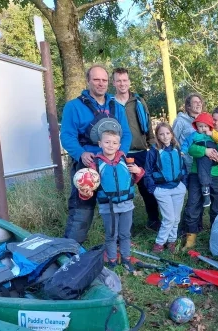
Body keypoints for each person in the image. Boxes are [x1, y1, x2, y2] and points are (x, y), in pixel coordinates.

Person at [60, 64, 132, 244]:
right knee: (82, 207)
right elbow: (67, 135)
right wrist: (80, 154)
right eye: (96, 79)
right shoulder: (74, 106)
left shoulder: (116, 107)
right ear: (88, 81)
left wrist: (120, 153)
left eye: (104, 80)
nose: (101, 84)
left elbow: (127, 134)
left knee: (117, 202)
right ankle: (72, 248)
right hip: (88, 163)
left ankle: (117, 245)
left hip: (113, 164)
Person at [81, 128, 144, 272]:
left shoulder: (124, 159)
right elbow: (88, 187)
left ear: (119, 145)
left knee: (125, 234)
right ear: (100, 143)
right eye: (107, 142)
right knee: (111, 235)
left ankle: (126, 259)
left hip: (127, 205)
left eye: (114, 143)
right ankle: (112, 260)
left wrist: (138, 171)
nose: (110, 145)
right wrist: (85, 192)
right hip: (107, 207)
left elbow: (135, 178)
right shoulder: (95, 164)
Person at [112, 67, 160, 231]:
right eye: (119, 80)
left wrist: (153, 146)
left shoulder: (139, 101)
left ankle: (153, 221)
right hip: (119, 154)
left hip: (140, 152)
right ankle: (126, 227)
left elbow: (148, 126)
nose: (122, 83)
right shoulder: (110, 103)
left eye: (125, 80)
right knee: (123, 191)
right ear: (114, 83)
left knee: (147, 189)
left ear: (129, 82)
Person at [180, 108, 218, 250]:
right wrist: (204, 151)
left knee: (217, 208)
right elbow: (191, 149)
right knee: (193, 204)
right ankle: (190, 239)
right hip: (197, 173)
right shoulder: (199, 134)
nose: (216, 122)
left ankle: (216, 240)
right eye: (214, 119)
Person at [143, 123, 187, 254]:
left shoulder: (177, 149)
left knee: (176, 218)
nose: (165, 136)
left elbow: (183, 168)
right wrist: (153, 188)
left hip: (178, 187)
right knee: (169, 218)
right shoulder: (154, 151)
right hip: (162, 189)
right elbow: (148, 171)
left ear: (172, 134)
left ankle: (172, 241)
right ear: (157, 136)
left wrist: (184, 184)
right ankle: (159, 243)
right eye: (161, 134)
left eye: (167, 133)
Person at [181, 112, 218, 207]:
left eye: (205, 126)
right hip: (201, 161)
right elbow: (187, 143)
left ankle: (206, 190)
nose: (203, 128)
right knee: (202, 164)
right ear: (196, 127)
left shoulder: (212, 135)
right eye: (200, 126)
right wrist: (183, 151)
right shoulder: (195, 135)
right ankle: (206, 191)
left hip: (214, 160)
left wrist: (211, 133)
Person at [173, 93, 204, 173]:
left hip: (203, 163)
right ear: (188, 106)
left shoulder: (204, 121)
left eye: (200, 102)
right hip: (187, 165)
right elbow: (172, 140)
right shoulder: (180, 121)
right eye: (195, 102)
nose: (199, 104)